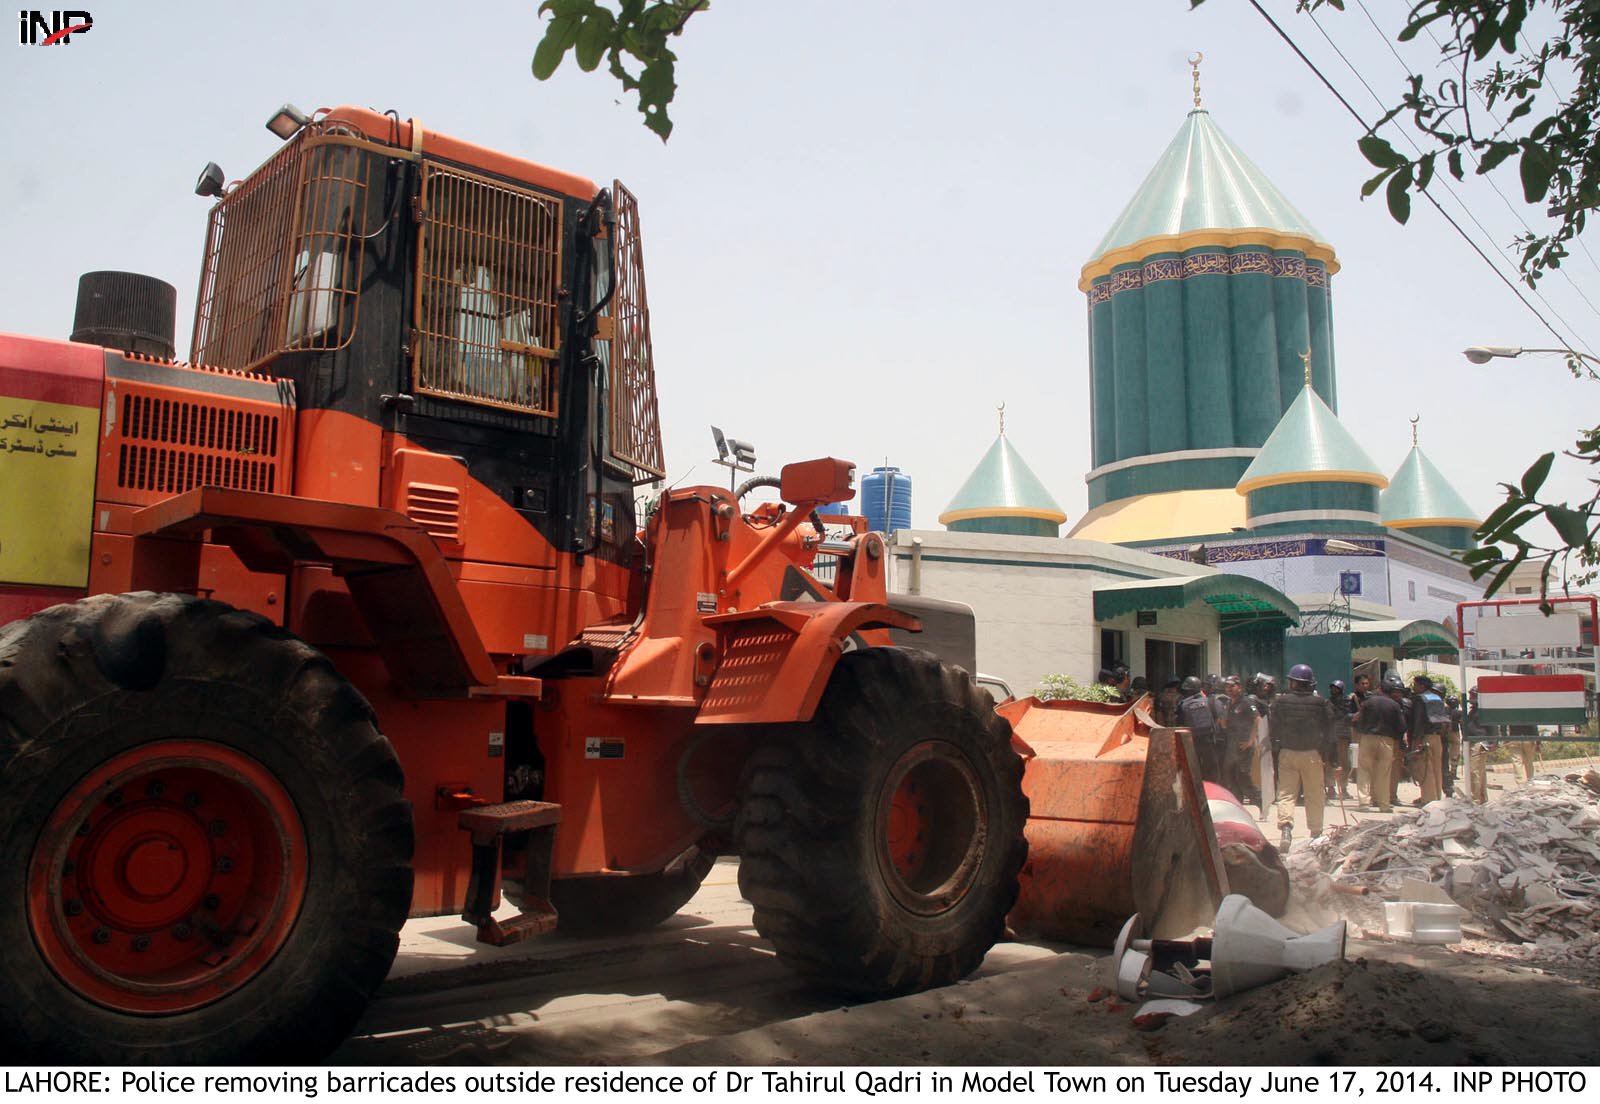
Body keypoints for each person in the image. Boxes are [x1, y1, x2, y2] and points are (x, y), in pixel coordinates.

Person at [1267, 664, 1335, 848]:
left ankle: (1286, 829)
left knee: (1286, 794)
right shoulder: (1321, 703)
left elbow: (1273, 729)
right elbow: (1329, 730)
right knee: (1314, 794)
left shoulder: (1281, 702)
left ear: (1294, 683)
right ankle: (1315, 832)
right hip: (1312, 754)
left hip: (1287, 753)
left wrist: (1276, 750)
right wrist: (1331, 757)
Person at [1355, 674, 1407, 813]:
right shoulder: (1395, 705)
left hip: (1368, 738)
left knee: (1365, 770)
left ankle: (1364, 802)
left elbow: (1359, 721)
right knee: (1383, 773)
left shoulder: (1368, 702)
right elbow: (1402, 727)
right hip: (1387, 741)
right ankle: (1384, 804)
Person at [1407, 674, 1449, 805]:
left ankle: (1429, 799)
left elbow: (1419, 720)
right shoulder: (1437, 697)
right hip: (1437, 738)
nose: (1413, 687)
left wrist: (1417, 740)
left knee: (1425, 769)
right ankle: (1436, 796)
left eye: (1415, 685)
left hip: (1424, 737)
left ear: (1421, 686)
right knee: (1437, 768)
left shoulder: (1420, 699)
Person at [1216, 675, 1256, 800]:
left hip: (1243, 746)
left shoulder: (1246, 702)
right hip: (1231, 746)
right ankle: (1238, 804)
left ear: (1240, 687)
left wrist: (1250, 741)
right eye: (1227, 686)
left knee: (1243, 778)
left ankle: (1259, 800)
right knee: (1229, 776)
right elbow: (1224, 724)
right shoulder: (1228, 703)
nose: (1229, 689)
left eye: (1232, 686)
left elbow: (1258, 720)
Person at [1178, 675, 1221, 781]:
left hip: (1192, 741)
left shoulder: (1183, 704)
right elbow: (1219, 720)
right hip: (1210, 741)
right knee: (1211, 769)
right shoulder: (1210, 701)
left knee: (1194, 769)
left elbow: (1180, 724)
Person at [1327, 680, 1353, 800]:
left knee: (1344, 763)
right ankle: (1331, 788)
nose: (1334, 690)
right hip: (1332, 735)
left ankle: (1343, 788)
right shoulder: (1328, 702)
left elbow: (1343, 715)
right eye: (1333, 688)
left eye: (1336, 688)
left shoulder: (1346, 702)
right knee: (1331, 763)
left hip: (1342, 735)